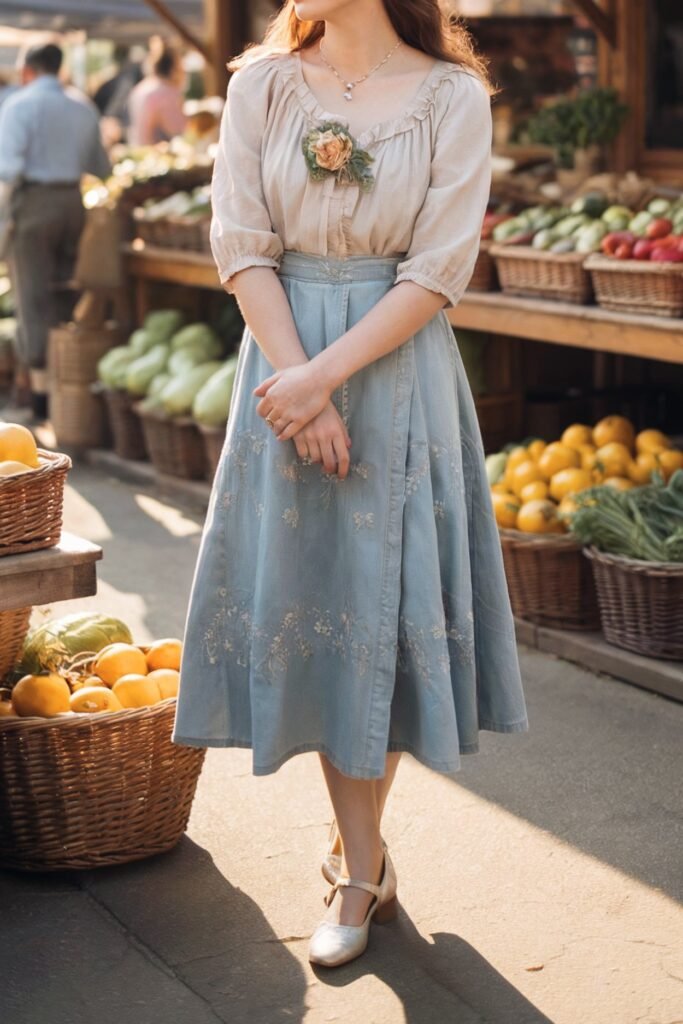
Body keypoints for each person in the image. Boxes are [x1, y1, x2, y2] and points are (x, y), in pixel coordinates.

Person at [171, 0, 529, 969]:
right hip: (281, 361)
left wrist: (326, 380)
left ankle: (355, 854)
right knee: (319, 599)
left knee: (390, 608)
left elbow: (440, 264)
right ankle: (362, 861)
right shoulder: (258, 84)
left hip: (398, 369)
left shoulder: (453, 97)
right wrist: (297, 383)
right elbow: (239, 241)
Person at [0, 42, 110, 418]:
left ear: (28, 68)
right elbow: (101, 165)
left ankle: (43, 400)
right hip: (73, 203)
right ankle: (68, 388)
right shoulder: (82, 106)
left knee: (31, 296)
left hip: (33, 204)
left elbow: (7, 169)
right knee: (65, 294)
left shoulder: (18, 106)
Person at [127, 41, 186, 146]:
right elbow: (179, 129)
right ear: (174, 69)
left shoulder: (140, 88)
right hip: (157, 155)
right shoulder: (167, 93)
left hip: (137, 151)